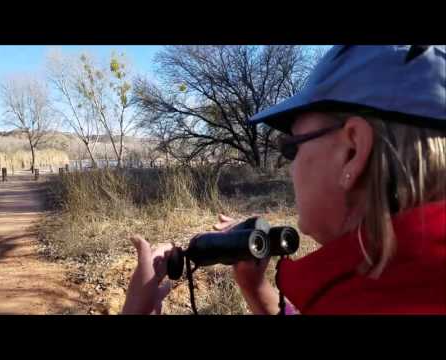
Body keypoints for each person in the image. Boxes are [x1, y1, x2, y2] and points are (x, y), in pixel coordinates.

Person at [122, 45, 446, 315]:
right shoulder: (405, 288)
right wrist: (257, 288)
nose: (291, 167)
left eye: (292, 147)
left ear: (352, 151)